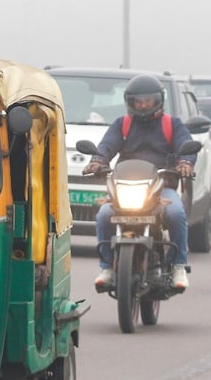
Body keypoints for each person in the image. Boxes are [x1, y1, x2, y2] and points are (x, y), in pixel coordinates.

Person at [84, 74, 196, 291]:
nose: (143, 105)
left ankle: (178, 265)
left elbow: (186, 144)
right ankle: (106, 266)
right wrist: (98, 160)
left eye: (148, 101)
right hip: (126, 188)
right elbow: (107, 145)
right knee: (104, 215)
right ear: (130, 102)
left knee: (176, 214)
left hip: (162, 188)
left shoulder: (172, 124)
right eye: (139, 101)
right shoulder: (122, 125)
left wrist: (185, 162)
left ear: (158, 101)